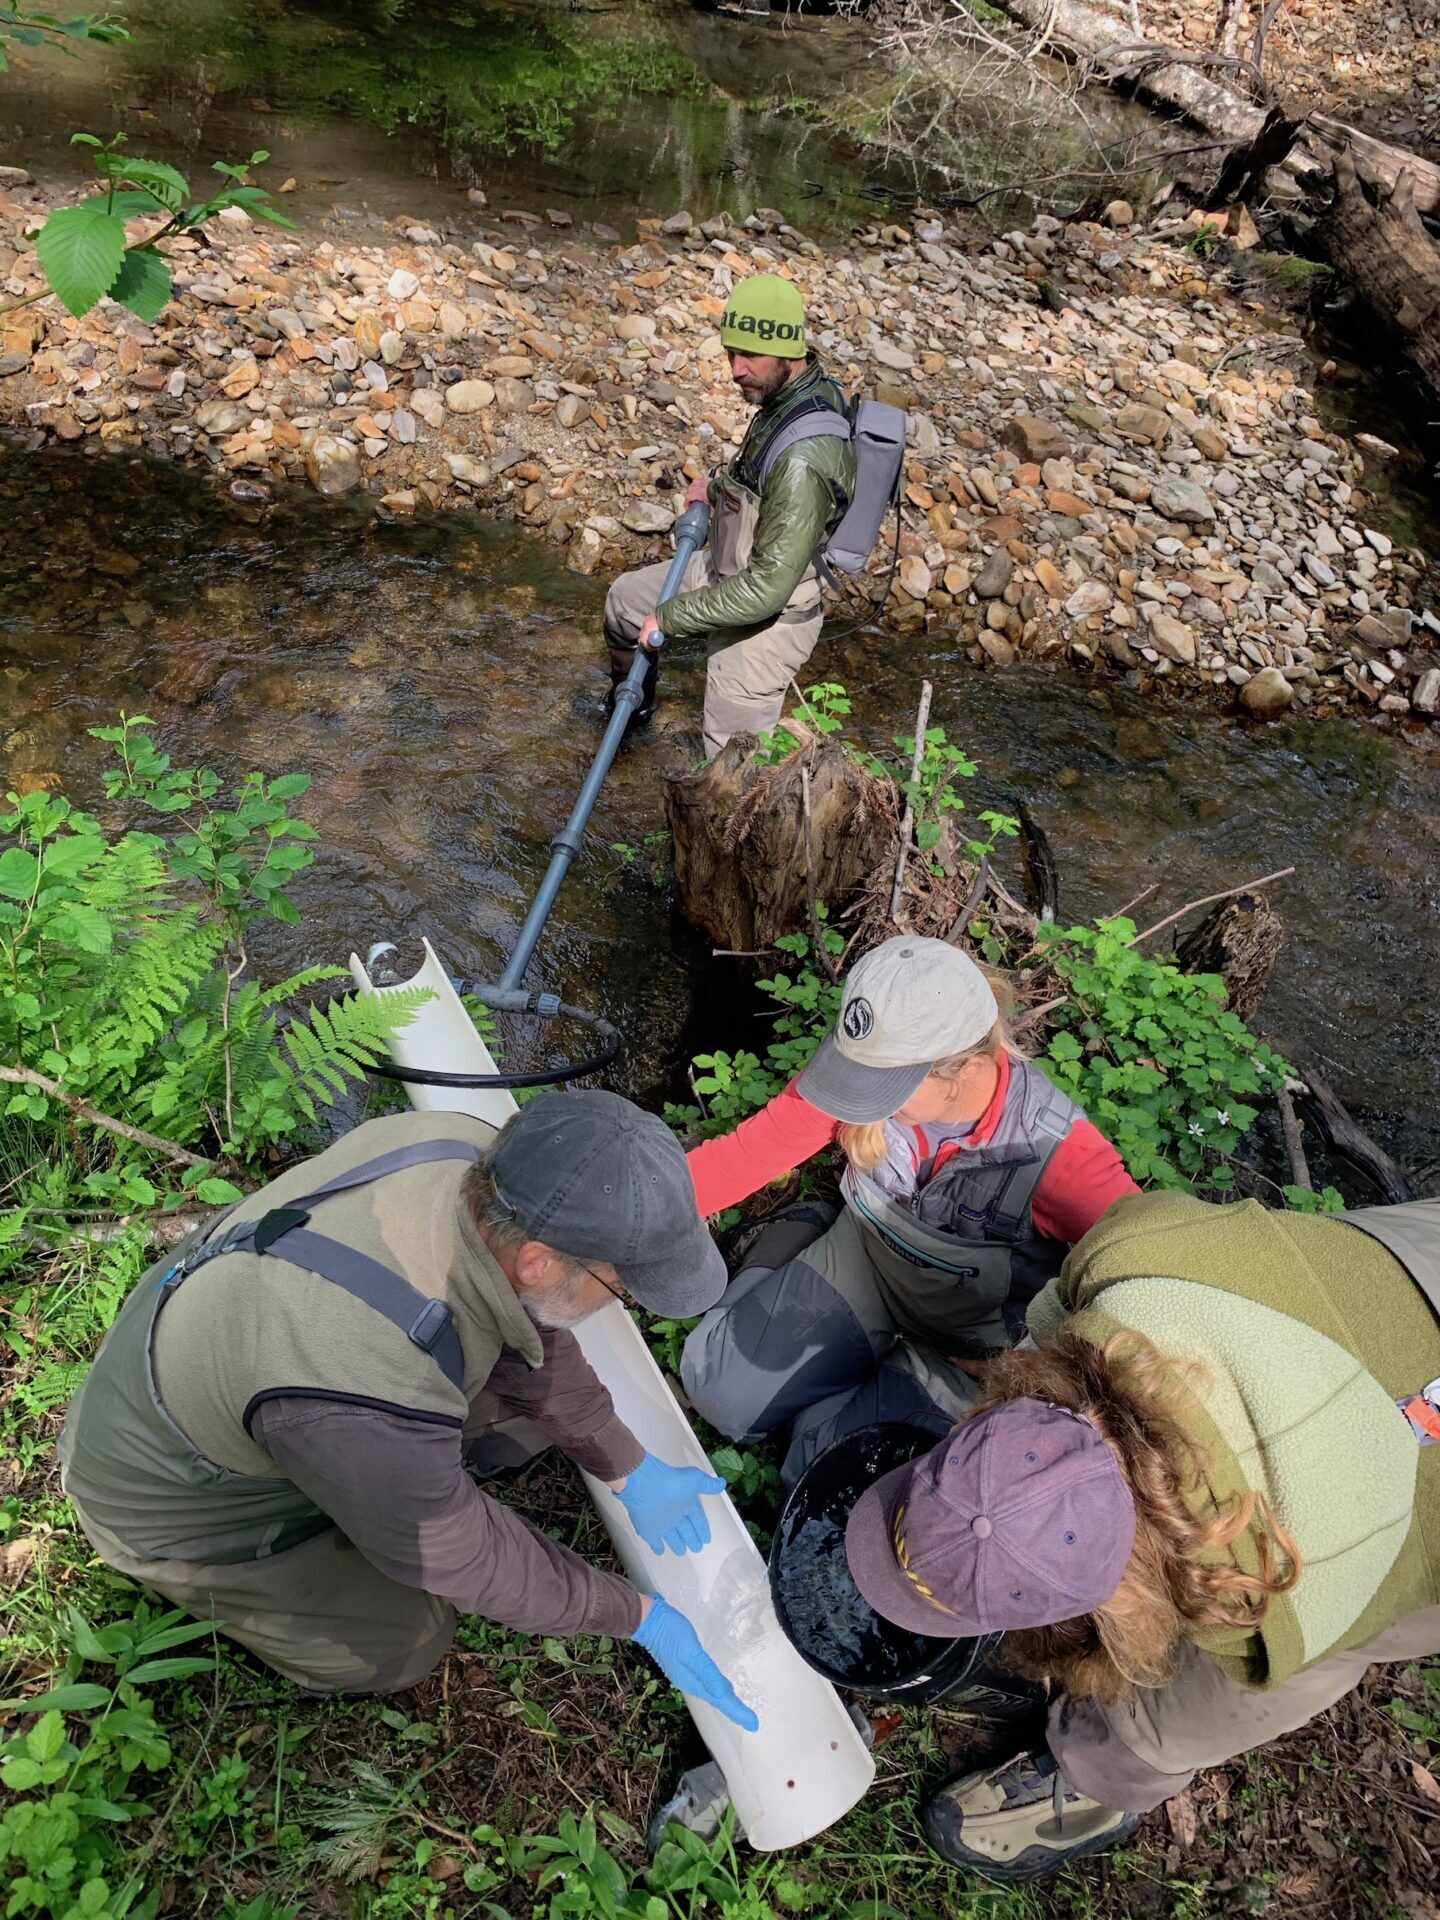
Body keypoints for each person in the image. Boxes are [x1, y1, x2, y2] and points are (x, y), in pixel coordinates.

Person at [58, 1091, 757, 1730]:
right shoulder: (358, 1386)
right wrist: (633, 1614)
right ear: (541, 1261)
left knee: (516, 1426)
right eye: (621, 1286)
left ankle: (369, 1490)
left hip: (233, 1348)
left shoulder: (469, 1153)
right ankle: (247, 1580)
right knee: (407, 1639)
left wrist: (626, 1463)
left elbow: (524, 1331)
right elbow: (466, 1556)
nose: (617, 1298)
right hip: (166, 1501)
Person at [842, 1187, 1440, 1881]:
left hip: (1400, 1503)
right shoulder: (1132, 1257)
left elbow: (1281, 1662)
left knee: (1226, 1697)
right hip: (1407, 1265)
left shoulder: (1287, 1601)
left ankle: (1103, 1773)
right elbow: (1053, 1325)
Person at [682, 937, 1138, 1486]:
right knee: (718, 1392)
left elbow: (1143, 1290)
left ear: (966, 1067)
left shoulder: (1059, 1157)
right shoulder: (866, 1062)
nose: (852, 1097)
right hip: (870, 1264)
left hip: (973, 1347)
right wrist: (633, 1219)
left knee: (825, 1477)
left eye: (880, 1086)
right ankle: (802, 1237)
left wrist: (1036, 1361)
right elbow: (749, 1152)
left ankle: (844, 1397)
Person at [602, 271, 856, 758]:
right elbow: (761, 480)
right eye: (729, 353)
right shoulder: (787, 394)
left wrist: (669, 618)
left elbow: (766, 590)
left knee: (729, 771)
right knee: (622, 603)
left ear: (789, 349)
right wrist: (716, 491)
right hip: (726, 568)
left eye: (749, 356)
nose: (735, 370)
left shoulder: (805, 459)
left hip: (771, 617)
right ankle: (630, 710)